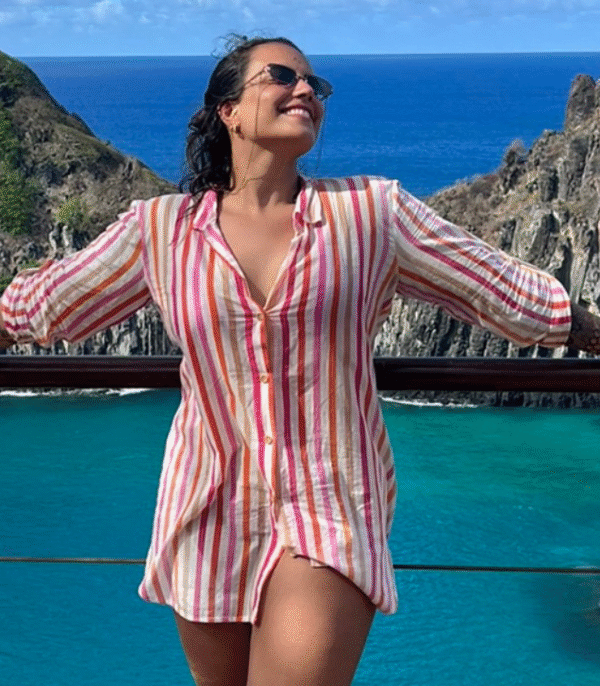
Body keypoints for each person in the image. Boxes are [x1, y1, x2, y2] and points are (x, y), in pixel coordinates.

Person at [1, 34, 600, 686]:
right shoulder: (161, 230)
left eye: (317, 85)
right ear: (228, 109)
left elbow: (499, 290)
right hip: (206, 514)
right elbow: (47, 306)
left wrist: (587, 329)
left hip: (329, 511)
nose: (308, 91)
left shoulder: (371, 215)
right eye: (282, 76)